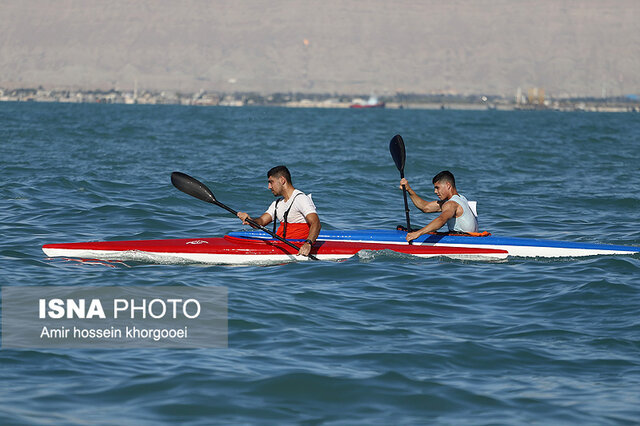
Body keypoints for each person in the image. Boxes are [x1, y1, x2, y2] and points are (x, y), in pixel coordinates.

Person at [237, 165, 321, 256]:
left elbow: (316, 223)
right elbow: (261, 221)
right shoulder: (277, 203)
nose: (269, 187)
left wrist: (308, 243)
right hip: (282, 246)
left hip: (299, 248)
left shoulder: (301, 199)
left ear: (282, 180)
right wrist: (250, 220)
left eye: (271, 182)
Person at [400, 170, 478, 242]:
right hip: (472, 239)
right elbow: (425, 207)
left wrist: (417, 233)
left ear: (448, 185)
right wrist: (409, 189)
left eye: (437, 188)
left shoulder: (451, 204)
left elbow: (441, 220)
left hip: (463, 241)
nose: (435, 191)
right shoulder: (461, 198)